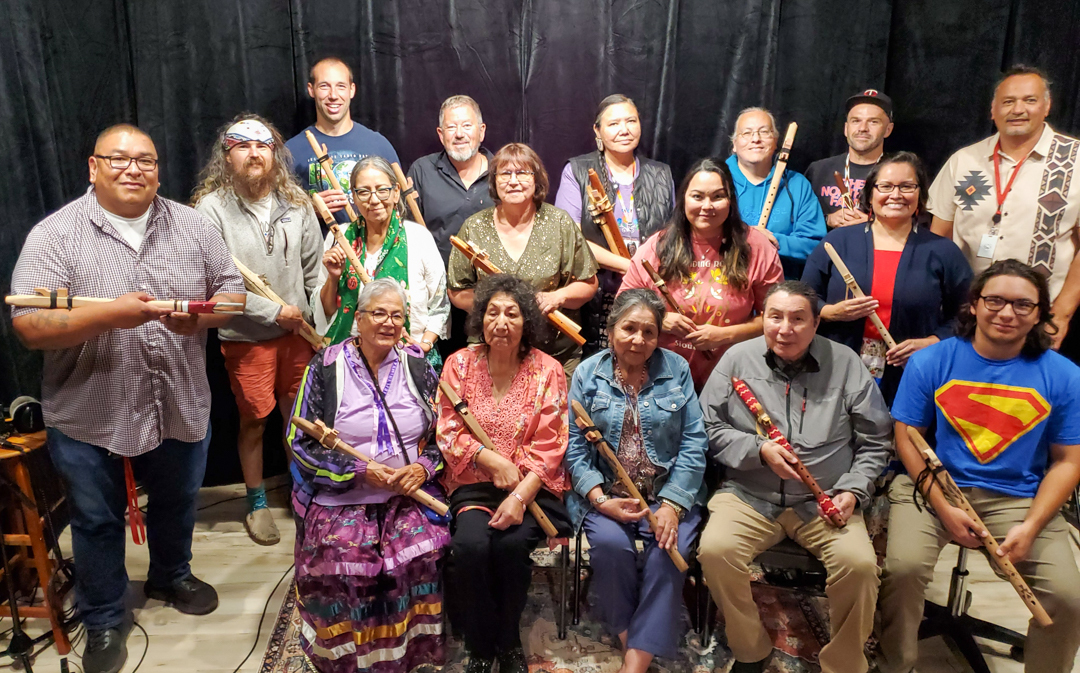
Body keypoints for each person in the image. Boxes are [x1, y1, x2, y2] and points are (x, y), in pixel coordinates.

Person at [9, 124, 245, 673]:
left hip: (179, 399)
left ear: (158, 170)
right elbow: (29, 324)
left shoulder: (192, 225)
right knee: (95, 519)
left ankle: (171, 575)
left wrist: (203, 317)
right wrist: (111, 315)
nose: (133, 169)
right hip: (88, 409)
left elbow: (232, 292)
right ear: (93, 167)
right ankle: (104, 616)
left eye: (146, 160)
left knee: (178, 500)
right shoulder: (56, 234)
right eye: (119, 159)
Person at [879, 260, 1080, 673]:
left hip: (1019, 498)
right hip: (932, 488)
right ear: (974, 305)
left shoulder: (1065, 375)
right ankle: (896, 665)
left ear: (1040, 314)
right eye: (995, 301)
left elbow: (1067, 462)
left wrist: (1031, 526)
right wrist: (944, 508)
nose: (1007, 313)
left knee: (1067, 597)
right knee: (903, 570)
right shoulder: (931, 360)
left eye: (1022, 305)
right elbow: (907, 439)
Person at [697, 281, 892, 673]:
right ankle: (750, 648)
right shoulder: (737, 359)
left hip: (824, 498)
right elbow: (706, 427)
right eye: (775, 317)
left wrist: (853, 490)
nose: (785, 329)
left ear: (816, 323)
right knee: (716, 551)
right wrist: (758, 450)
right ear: (763, 319)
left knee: (859, 566)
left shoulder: (846, 363)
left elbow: (876, 440)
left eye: (798, 319)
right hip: (749, 493)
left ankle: (843, 664)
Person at [288, 278, 450, 673]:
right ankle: (347, 659)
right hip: (341, 496)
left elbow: (447, 434)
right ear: (358, 319)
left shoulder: (417, 366)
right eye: (378, 313)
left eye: (397, 315)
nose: (388, 323)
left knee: (421, 551)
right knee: (342, 555)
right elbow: (299, 441)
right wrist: (357, 469)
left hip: (407, 494)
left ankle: (408, 654)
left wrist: (423, 467)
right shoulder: (326, 367)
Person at [192, 114, 322, 545]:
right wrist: (272, 312)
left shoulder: (297, 204)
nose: (254, 153)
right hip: (247, 338)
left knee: (298, 419)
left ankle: (303, 494)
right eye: (243, 146)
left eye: (262, 145)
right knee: (254, 422)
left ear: (274, 153)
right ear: (227, 154)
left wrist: (312, 319)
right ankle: (257, 501)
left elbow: (314, 273)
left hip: (298, 335)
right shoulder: (210, 210)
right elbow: (215, 285)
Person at [565, 289, 707, 673]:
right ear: (612, 330)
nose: (638, 340)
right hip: (608, 494)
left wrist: (673, 505)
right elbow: (575, 449)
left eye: (649, 332)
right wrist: (599, 499)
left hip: (666, 492)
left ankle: (635, 662)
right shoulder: (587, 373)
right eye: (629, 329)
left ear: (658, 336)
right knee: (612, 548)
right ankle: (634, 639)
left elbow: (695, 441)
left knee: (667, 550)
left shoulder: (676, 369)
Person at [436, 274, 571, 673]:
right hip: (473, 482)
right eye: (492, 312)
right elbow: (447, 430)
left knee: (511, 548)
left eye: (512, 314)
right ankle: (480, 645)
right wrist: (491, 460)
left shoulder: (548, 370)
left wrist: (518, 497)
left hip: (531, 488)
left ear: (526, 321)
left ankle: (508, 639)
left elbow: (552, 443)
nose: (501, 322)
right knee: (472, 548)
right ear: (480, 318)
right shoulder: (458, 364)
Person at [802, 152, 972, 405]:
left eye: (907, 186)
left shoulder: (943, 251)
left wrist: (932, 342)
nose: (896, 194)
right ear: (870, 194)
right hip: (837, 367)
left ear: (920, 195)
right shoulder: (837, 241)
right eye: (885, 186)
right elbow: (803, 296)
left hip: (910, 371)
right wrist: (829, 312)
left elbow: (967, 313)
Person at [929, 65, 1080, 349]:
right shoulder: (965, 161)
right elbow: (938, 240)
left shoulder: (1076, 162)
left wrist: (1062, 313)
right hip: (967, 315)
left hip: (1039, 319)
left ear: (1047, 107)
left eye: (1029, 100)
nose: (1018, 109)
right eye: (1008, 101)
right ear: (993, 110)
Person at [619, 158, 784, 391]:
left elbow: (775, 317)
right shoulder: (658, 245)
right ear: (684, 198)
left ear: (731, 200)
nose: (707, 206)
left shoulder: (757, 247)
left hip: (733, 376)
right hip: (662, 378)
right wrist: (659, 320)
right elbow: (623, 304)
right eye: (697, 196)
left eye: (718, 197)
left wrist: (725, 335)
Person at [447, 143, 598, 378]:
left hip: (554, 355)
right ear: (494, 181)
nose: (513, 181)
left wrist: (557, 297)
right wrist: (497, 307)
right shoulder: (474, 227)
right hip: (490, 353)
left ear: (536, 179)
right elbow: (457, 291)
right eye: (505, 173)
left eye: (522, 173)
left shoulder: (559, 223)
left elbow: (589, 283)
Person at [554, 94, 676, 354]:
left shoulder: (661, 174)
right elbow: (571, 239)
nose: (624, 129)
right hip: (597, 291)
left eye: (631, 121)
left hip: (649, 291)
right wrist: (631, 267)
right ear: (597, 131)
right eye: (613, 124)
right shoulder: (577, 170)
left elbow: (673, 236)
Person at [314, 156, 449, 369]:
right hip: (350, 360)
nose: (374, 199)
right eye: (364, 192)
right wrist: (333, 277)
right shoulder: (339, 238)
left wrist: (424, 344)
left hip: (408, 356)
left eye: (382, 190)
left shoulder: (418, 237)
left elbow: (440, 304)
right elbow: (327, 311)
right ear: (354, 197)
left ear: (396, 192)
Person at [407, 95, 495, 359]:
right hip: (436, 299)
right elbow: (407, 232)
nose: (459, 134)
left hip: (489, 299)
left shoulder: (502, 172)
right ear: (440, 134)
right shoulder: (422, 171)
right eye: (451, 127)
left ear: (481, 131)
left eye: (467, 126)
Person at [286, 58, 401, 227]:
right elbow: (278, 214)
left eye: (341, 86)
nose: (333, 95)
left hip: (372, 243)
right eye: (324, 86)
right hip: (320, 244)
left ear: (352, 90)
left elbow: (399, 207)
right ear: (311, 90)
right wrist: (310, 209)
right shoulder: (291, 151)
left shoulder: (379, 145)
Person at [726, 107, 827, 279]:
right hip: (725, 283)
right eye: (747, 133)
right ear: (734, 144)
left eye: (764, 132)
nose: (756, 139)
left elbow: (815, 246)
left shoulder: (797, 184)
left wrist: (774, 241)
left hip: (780, 288)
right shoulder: (716, 180)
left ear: (775, 141)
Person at [804, 90, 895, 229]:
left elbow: (917, 224)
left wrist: (874, 223)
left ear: (888, 129)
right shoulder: (818, 170)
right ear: (846, 128)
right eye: (856, 121)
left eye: (873, 122)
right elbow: (797, 220)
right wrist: (827, 219)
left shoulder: (899, 172)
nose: (863, 128)